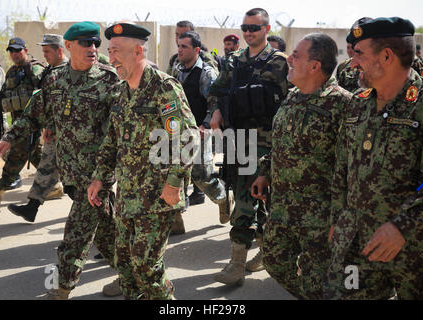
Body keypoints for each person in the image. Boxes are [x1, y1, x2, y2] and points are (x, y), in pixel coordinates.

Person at [0, 21, 120, 300]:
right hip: (71, 173)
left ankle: (61, 288)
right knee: (107, 233)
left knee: (76, 234)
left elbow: (123, 129)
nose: (93, 48)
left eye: (96, 43)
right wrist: (9, 138)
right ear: (70, 46)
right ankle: (132, 275)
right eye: (86, 43)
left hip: (98, 174)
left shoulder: (109, 80)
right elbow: (33, 114)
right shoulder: (54, 79)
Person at [87, 22, 199, 300]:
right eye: (109, 51)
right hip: (127, 195)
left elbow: (187, 138)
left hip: (157, 197)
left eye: (116, 51)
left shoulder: (164, 88)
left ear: (138, 51)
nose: (110, 58)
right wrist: (100, 177)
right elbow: (111, 140)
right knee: (124, 266)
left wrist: (173, 185)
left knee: (146, 267)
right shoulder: (122, 92)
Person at [326, 17, 423, 300]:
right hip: (357, 240)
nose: (353, 63)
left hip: (414, 248)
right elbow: (342, 168)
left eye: (359, 54)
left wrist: (401, 226)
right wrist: (338, 219)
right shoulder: (358, 102)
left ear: (386, 56)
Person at [252, 33, 352, 299]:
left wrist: (340, 217)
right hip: (282, 208)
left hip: (319, 217)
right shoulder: (293, 97)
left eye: (296, 55)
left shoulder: (342, 104)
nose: (289, 59)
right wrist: (265, 172)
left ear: (315, 66)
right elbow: (280, 143)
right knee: (274, 261)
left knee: (318, 279)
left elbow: (351, 167)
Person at [209, 8, 289, 285]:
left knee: (265, 201)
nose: (248, 32)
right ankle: (237, 264)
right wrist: (216, 112)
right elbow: (216, 91)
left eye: (254, 27)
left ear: (267, 29)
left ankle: (268, 253)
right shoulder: (234, 62)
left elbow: (293, 100)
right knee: (244, 199)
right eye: (244, 27)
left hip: (268, 142)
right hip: (240, 140)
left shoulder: (280, 62)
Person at [7, 34, 68, 223]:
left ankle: (105, 217)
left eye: (47, 51)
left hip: (70, 136)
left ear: (59, 51)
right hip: (54, 132)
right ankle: (32, 208)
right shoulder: (50, 70)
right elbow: (47, 103)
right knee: (45, 167)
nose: (44, 55)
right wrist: (48, 125)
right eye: (43, 51)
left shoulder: (69, 72)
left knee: (76, 184)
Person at [0, 37, 45, 209]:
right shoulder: (12, 72)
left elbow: (43, 96)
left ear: (25, 49)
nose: (15, 54)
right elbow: (4, 94)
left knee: (15, 157)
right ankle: (55, 184)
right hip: (18, 123)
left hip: (32, 124)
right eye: (12, 51)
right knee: (35, 155)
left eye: (18, 50)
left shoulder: (35, 69)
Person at [175, 30, 233, 224]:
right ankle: (174, 220)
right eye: (178, 46)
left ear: (197, 50)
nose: (180, 50)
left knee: (202, 177)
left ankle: (224, 198)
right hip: (178, 132)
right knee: (173, 174)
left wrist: (206, 125)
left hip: (200, 132)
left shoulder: (206, 73)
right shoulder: (178, 70)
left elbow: (215, 103)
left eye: (184, 46)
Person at [336, 18, 372, 93]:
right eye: (355, 50)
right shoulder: (344, 69)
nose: (352, 65)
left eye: (360, 52)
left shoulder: (393, 73)